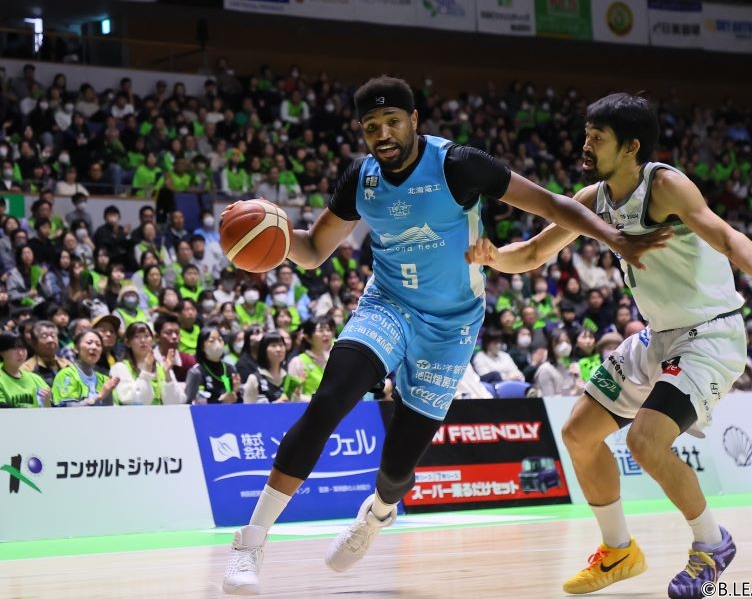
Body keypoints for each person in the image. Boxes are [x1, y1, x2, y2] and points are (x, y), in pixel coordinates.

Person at [221, 76, 667, 595]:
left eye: (392, 122)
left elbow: (551, 205)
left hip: (452, 324)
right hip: (387, 305)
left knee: (397, 467)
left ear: (414, 121)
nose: (383, 134)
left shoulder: (458, 164)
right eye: (371, 127)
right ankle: (250, 542)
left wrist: (612, 236)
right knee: (328, 402)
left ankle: (378, 513)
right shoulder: (361, 178)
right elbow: (314, 248)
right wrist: (269, 238)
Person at [464, 92, 752, 599]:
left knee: (645, 441)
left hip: (710, 334)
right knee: (578, 434)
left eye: (597, 137)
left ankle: (712, 543)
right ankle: (618, 550)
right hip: (657, 335)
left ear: (631, 147)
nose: (585, 144)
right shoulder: (592, 198)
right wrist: (493, 257)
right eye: (586, 134)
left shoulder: (664, 186)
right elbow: (532, 253)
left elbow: (727, 236)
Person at [110, 321, 183, 405]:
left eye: (147, 336)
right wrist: (146, 373)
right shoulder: (120, 368)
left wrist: (168, 375)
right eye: (137, 337)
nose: (143, 340)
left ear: (153, 340)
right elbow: (133, 401)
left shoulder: (162, 366)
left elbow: (175, 402)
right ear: (127, 342)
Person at [52, 329, 120, 406]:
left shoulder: (104, 380)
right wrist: (99, 396)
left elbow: (111, 410)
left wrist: (108, 393)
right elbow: (67, 409)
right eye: (89, 343)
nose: (94, 347)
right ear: (76, 349)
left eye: (98, 345)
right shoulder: (66, 375)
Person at [0, 331, 51, 408]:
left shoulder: (36, 379)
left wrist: (46, 403)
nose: (20, 353)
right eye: (14, 348)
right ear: (2, 352)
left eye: (23, 348)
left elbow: (48, 410)